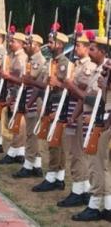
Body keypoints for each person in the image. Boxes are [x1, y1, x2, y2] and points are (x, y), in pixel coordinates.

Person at [71, 37, 111, 222]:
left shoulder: (106, 71)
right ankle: (107, 206)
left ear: (103, 51)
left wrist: (105, 87)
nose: (90, 51)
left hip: (102, 120)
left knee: (96, 164)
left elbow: (97, 100)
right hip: (97, 118)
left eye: (93, 49)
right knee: (102, 165)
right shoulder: (100, 70)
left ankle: (95, 205)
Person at [57, 31, 96, 208]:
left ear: (88, 48)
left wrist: (69, 84)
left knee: (78, 153)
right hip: (74, 110)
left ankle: (80, 190)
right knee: (74, 152)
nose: (76, 48)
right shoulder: (78, 64)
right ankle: (80, 187)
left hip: (82, 113)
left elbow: (84, 93)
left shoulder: (88, 67)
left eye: (79, 45)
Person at [32, 30, 70, 192]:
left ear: (60, 45)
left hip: (59, 104)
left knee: (55, 143)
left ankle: (53, 175)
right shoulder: (51, 62)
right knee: (55, 142)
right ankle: (58, 177)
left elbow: (68, 87)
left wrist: (57, 83)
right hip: (50, 102)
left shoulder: (64, 63)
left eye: (52, 41)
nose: (49, 44)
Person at [13, 33, 46, 179]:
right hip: (30, 98)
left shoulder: (38, 60)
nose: (25, 45)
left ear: (36, 46)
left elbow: (30, 79)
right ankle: (36, 164)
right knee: (31, 133)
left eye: (28, 43)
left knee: (31, 134)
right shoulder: (31, 59)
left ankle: (29, 164)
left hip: (34, 100)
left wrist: (28, 102)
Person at [0, 32, 27, 165]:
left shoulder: (22, 58)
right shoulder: (13, 56)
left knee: (19, 123)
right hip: (13, 92)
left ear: (20, 43)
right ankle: (18, 151)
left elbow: (22, 79)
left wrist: (9, 76)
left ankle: (15, 150)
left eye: (13, 41)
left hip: (20, 92)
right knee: (16, 123)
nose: (10, 43)